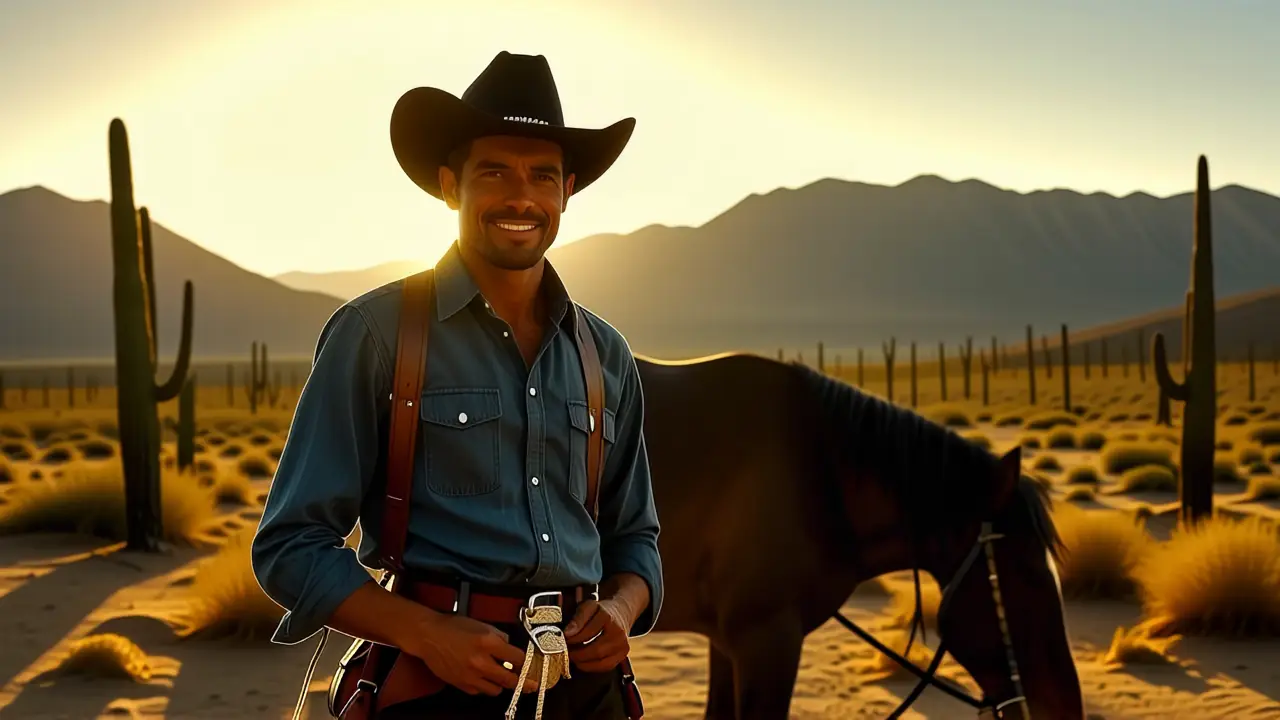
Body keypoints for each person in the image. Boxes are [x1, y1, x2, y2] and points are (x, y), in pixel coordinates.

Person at [252, 51, 663, 719]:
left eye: (542, 176)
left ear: (567, 191)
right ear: (451, 186)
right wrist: (426, 634)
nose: (521, 197)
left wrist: (619, 608)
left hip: (587, 693)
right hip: (434, 687)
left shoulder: (603, 353)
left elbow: (636, 536)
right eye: (494, 171)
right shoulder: (377, 332)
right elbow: (289, 547)